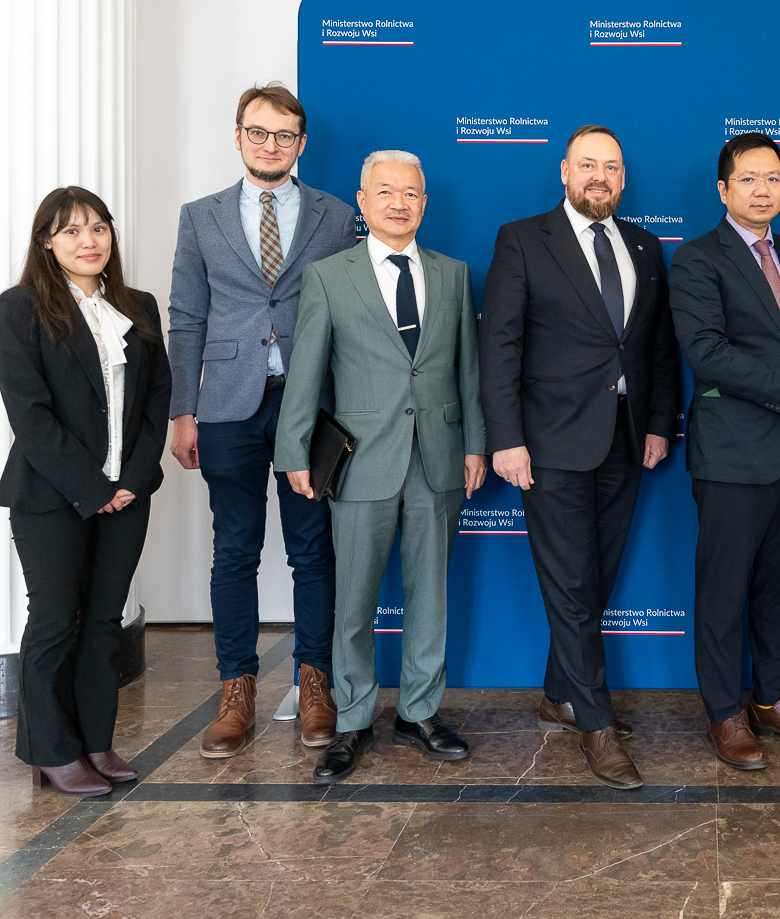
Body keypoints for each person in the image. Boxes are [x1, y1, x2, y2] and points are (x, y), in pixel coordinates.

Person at [276, 150, 486, 784]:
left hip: (438, 458)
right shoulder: (328, 276)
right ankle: (353, 720)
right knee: (354, 600)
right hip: (361, 459)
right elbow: (306, 370)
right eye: (386, 192)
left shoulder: (453, 273)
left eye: (411, 193)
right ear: (362, 203)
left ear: (425, 203)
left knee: (430, 595)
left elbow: (468, 370)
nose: (399, 203)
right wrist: (293, 450)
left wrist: (475, 444)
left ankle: (420, 713)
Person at [480, 125, 680, 789]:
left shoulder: (645, 245)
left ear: (623, 178)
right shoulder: (522, 239)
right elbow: (499, 346)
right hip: (549, 443)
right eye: (588, 164)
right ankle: (596, 723)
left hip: (626, 439)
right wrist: (506, 438)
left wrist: (658, 424)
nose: (600, 176)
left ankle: (558, 694)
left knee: (593, 579)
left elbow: (655, 347)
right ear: (564, 171)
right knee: (569, 584)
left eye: (612, 167)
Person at [168, 83, 357, 757]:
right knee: (235, 549)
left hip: (309, 402)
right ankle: (236, 690)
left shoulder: (336, 216)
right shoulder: (201, 217)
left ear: (301, 144)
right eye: (258, 132)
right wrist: (182, 410)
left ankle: (315, 684)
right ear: (238, 136)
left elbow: (349, 313)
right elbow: (186, 316)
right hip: (226, 403)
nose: (270, 144)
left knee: (312, 547)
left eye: (283, 135)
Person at [668, 132, 780, 771]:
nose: (762, 189)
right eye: (748, 179)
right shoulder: (696, 259)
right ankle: (725, 712)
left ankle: (773, 701)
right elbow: (709, 354)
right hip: (733, 455)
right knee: (723, 593)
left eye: (772, 178)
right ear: (723, 190)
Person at [0, 187, 171, 796]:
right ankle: (51, 751)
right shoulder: (19, 308)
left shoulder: (139, 306)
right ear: (47, 242)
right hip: (52, 494)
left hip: (126, 495)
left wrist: (132, 481)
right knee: (54, 620)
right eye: (71, 231)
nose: (89, 241)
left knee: (103, 622)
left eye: (99, 227)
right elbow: (30, 414)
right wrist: (92, 487)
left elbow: (157, 400)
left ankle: (96, 741)